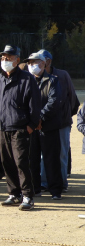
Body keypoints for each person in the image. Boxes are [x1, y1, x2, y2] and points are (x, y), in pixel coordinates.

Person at [0, 45, 41, 211]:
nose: (4, 60)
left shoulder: (27, 79)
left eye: (8, 58)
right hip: (3, 126)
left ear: (17, 60)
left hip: (20, 127)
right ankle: (14, 193)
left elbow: (34, 104)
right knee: (6, 162)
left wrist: (31, 125)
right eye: (3, 58)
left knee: (21, 162)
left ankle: (27, 195)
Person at [23, 52, 63, 200]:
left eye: (34, 63)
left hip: (49, 126)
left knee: (51, 159)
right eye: (29, 63)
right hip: (31, 127)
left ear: (43, 63)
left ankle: (55, 190)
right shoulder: (26, 81)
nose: (31, 65)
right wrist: (32, 121)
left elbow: (54, 101)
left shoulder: (53, 81)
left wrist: (40, 117)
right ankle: (35, 188)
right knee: (31, 159)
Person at [40, 49, 79, 192]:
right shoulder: (35, 77)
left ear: (48, 62)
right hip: (42, 122)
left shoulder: (62, 75)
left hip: (62, 122)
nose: (36, 64)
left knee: (62, 153)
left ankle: (62, 183)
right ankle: (44, 182)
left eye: (40, 61)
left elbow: (72, 98)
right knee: (43, 154)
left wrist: (67, 115)